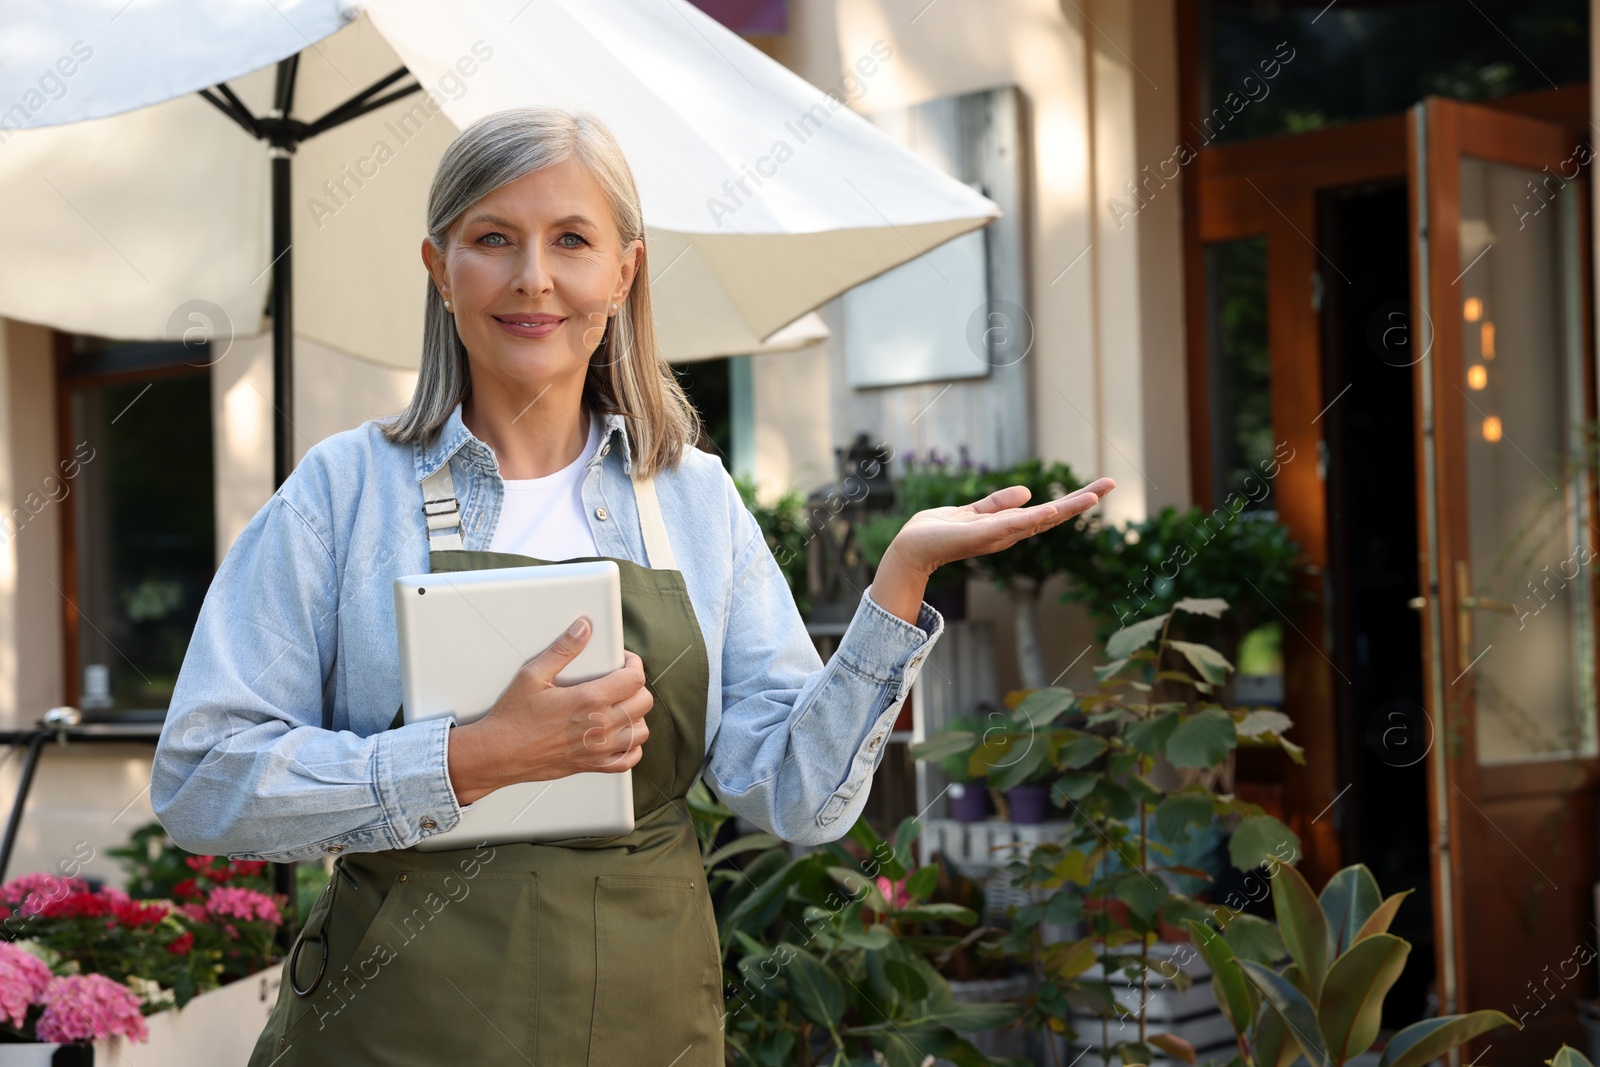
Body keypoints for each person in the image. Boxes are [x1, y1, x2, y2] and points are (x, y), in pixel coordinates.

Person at [149, 106, 1114, 1066]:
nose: (534, 276)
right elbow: (201, 779)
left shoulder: (693, 500)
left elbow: (799, 799)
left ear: (624, 271)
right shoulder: (342, 492)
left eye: (571, 239)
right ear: (441, 271)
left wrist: (901, 577)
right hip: (393, 1032)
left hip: (646, 1030)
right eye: (493, 239)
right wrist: (468, 757)